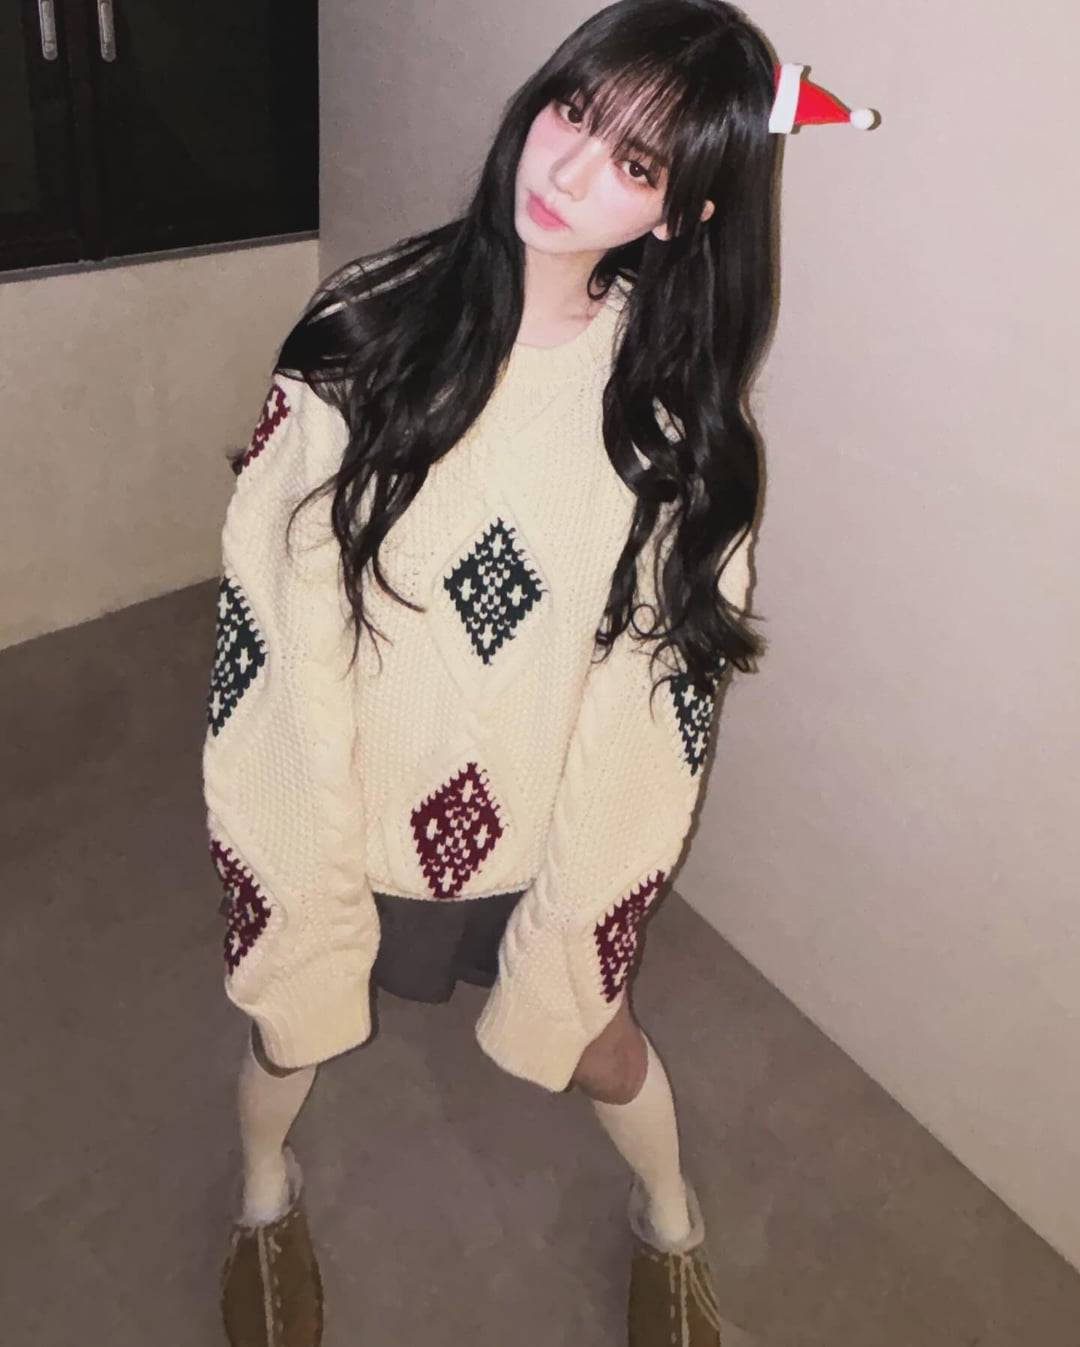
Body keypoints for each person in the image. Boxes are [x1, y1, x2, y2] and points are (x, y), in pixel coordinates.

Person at [202, 2, 875, 1344]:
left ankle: (671, 1220)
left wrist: (577, 901)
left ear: (683, 215)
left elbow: (653, 705)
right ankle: (264, 1196)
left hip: (542, 829)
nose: (566, 168)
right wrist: (306, 852)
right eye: (575, 109)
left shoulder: (673, 428)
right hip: (346, 806)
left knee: (598, 1045)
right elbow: (273, 624)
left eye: (634, 161)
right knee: (289, 1024)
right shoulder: (360, 331)